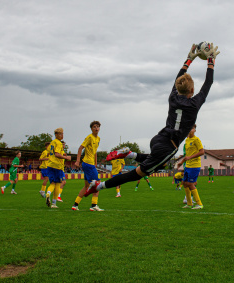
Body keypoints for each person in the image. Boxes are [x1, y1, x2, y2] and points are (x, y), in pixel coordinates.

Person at [85, 42, 219, 196]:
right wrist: (210, 60)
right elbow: (208, 83)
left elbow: (185, 80)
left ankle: (130, 155)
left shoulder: (172, 97)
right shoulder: (194, 104)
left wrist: (189, 59)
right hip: (169, 146)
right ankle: (98, 185)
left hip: (159, 138)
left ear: (178, 87)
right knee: (136, 174)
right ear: (192, 90)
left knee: (153, 161)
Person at [71, 121, 104, 211]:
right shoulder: (89, 137)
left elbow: (95, 151)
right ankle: (94, 205)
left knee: (86, 186)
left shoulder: (98, 139)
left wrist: (96, 162)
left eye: (97, 126)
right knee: (98, 184)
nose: (96, 128)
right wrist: (77, 161)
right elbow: (80, 147)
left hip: (90, 164)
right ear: (91, 129)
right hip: (87, 163)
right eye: (94, 127)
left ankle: (75, 204)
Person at [177, 125, 204, 209]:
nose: (190, 130)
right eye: (189, 128)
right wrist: (181, 162)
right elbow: (187, 155)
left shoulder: (196, 140)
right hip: (188, 166)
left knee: (190, 184)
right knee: (185, 183)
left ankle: (199, 204)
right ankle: (189, 204)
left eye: (192, 128)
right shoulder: (187, 140)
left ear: (195, 130)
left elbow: (202, 152)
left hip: (195, 165)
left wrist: (190, 157)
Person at [45, 128, 72, 208]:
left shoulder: (52, 143)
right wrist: (66, 158)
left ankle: (48, 194)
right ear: (56, 135)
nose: (62, 135)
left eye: (62, 133)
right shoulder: (59, 143)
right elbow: (56, 154)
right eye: (60, 134)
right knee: (58, 184)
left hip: (50, 165)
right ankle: (54, 203)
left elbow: (49, 152)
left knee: (52, 183)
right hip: (57, 166)